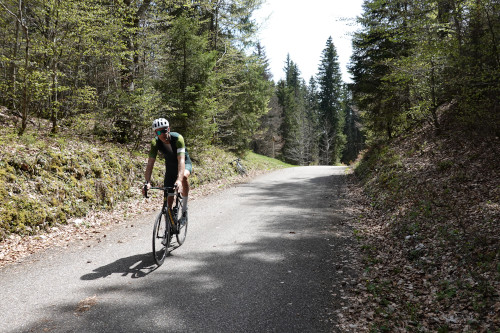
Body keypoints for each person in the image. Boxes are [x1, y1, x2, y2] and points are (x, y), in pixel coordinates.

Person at [143, 118, 192, 222]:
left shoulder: (178, 138)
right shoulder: (155, 143)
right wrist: (147, 182)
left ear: (168, 129)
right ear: (155, 133)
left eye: (164, 130)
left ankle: (184, 209)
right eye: (159, 132)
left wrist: (178, 180)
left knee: (183, 177)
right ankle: (169, 223)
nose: (162, 134)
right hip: (170, 166)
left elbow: (181, 161)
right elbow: (150, 163)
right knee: (168, 196)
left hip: (184, 163)